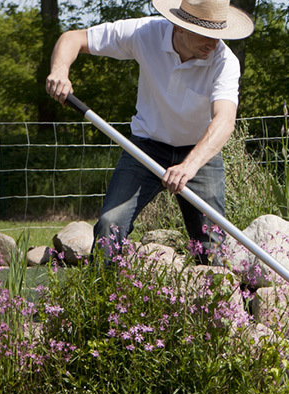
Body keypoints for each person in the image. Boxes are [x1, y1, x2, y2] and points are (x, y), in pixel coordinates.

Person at [44, 0, 253, 263]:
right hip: (146, 148)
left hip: (199, 154)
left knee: (211, 244)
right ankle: (104, 298)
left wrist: (189, 167)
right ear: (180, 27)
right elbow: (74, 38)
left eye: (218, 34)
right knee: (110, 224)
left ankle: (213, 303)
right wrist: (60, 71)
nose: (213, 43)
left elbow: (224, 121)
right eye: (206, 34)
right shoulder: (145, 33)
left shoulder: (224, 62)